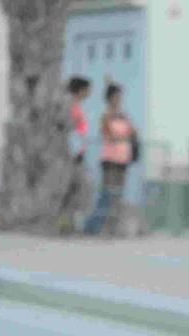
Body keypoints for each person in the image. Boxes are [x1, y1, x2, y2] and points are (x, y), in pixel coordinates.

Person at [83, 83, 136, 236]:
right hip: (110, 159)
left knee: (118, 193)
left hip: (123, 158)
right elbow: (108, 134)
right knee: (107, 192)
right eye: (116, 96)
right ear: (110, 98)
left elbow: (133, 133)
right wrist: (123, 136)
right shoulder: (106, 115)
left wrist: (124, 135)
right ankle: (97, 226)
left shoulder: (124, 115)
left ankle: (115, 227)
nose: (119, 99)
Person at [60, 76, 92, 235]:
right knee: (72, 189)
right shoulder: (70, 104)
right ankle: (65, 225)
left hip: (78, 151)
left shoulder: (76, 105)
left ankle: (69, 224)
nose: (89, 93)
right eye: (87, 89)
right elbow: (67, 126)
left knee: (76, 190)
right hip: (71, 153)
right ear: (80, 90)